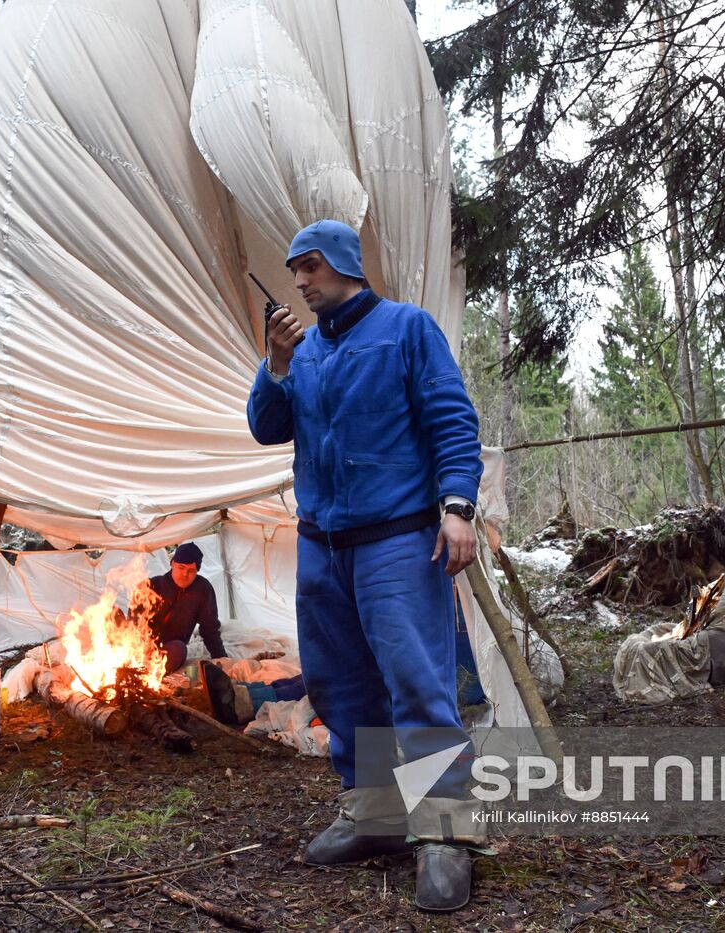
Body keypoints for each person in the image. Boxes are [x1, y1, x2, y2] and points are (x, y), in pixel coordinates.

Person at [246, 219, 485, 912]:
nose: (300, 280)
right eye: (294, 269)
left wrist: (458, 505)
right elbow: (266, 427)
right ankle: (376, 814)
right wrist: (276, 363)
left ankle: (445, 829)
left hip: (396, 541)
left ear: (346, 262)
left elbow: (451, 420)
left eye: (311, 265)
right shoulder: (304, 352)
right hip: (321, 546)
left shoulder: (407, 329)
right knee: (342, 686)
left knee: (417, 681)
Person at [142, 543, 227, 673]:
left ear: (197, 571)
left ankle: (147, 673)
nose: (185, 574)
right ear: (172, 563)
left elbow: (210, 629)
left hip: (167, 651)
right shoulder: (152, 586)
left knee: (179, 649)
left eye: (191, 570)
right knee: (113, 613)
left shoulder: (203, 590)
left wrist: (222, 658)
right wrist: (142, 647)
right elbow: (134, 625)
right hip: (141, 646)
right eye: (181, 567)